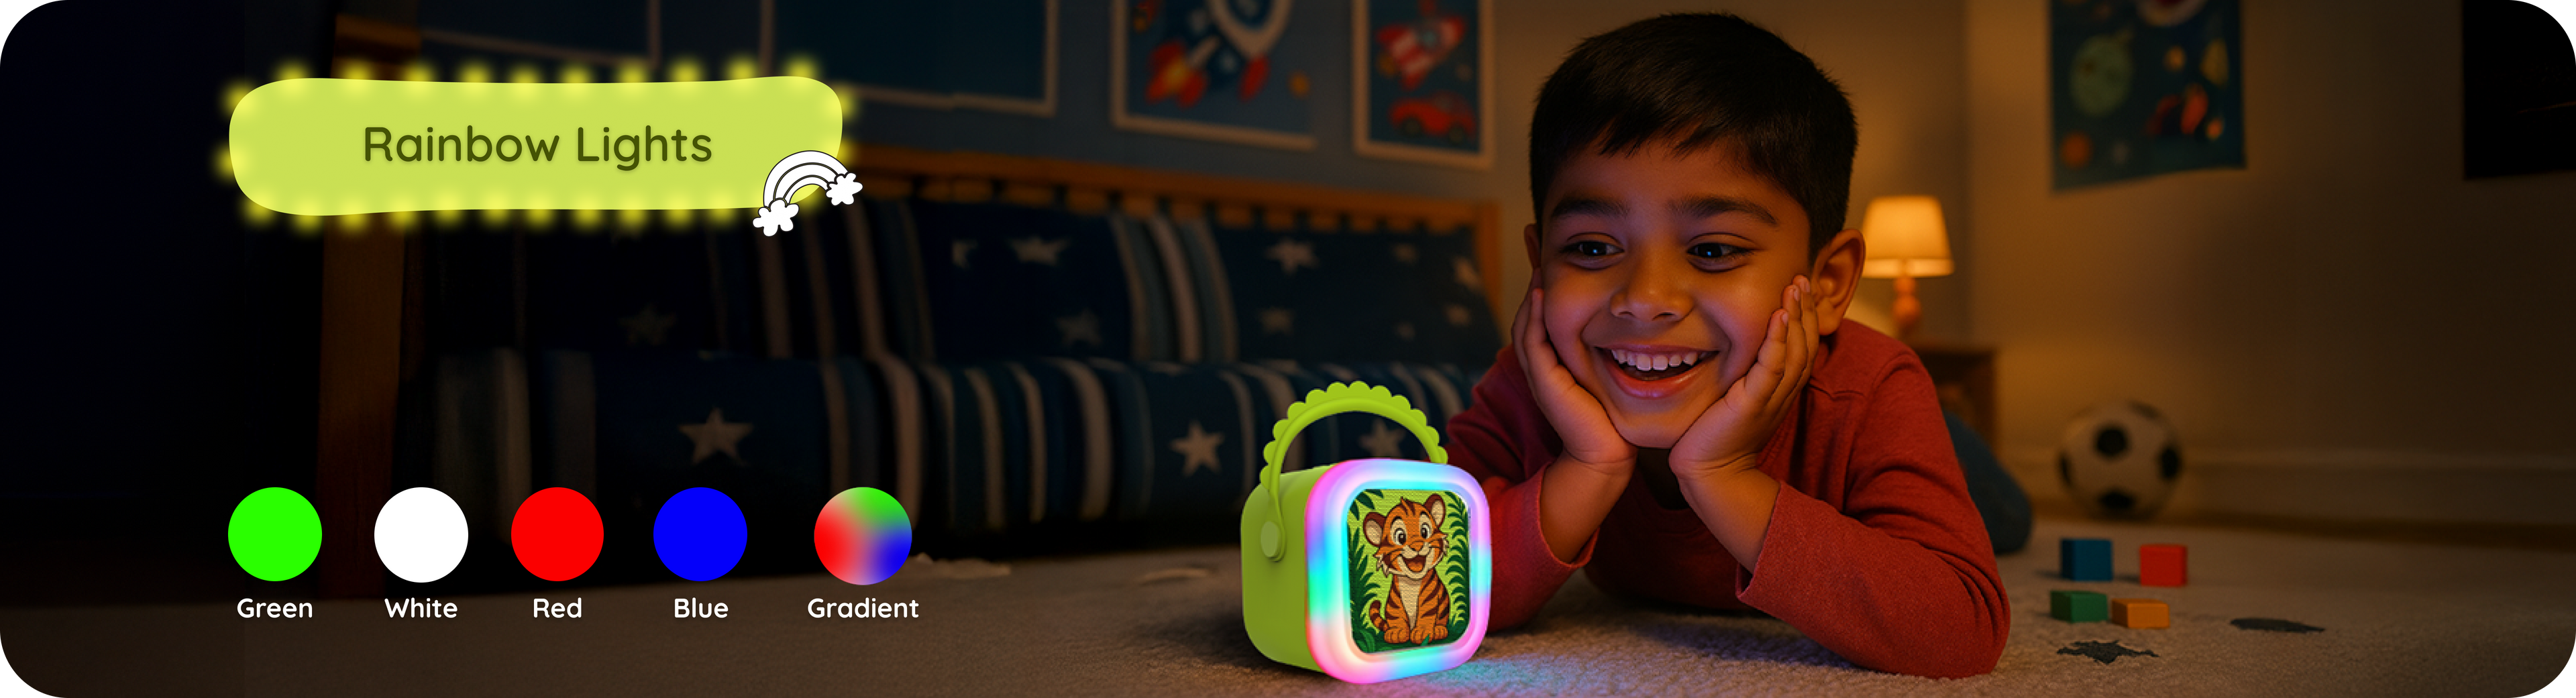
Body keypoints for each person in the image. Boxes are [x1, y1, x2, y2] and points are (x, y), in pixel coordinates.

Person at [1446, 12, 2007, 678]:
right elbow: (1420, 581)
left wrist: (1723, 474)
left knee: (2004, 512)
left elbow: (1961, 628)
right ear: (1540, 266)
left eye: (1713, 250)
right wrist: (1587, 467)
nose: (1645, 298)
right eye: (1592, 248)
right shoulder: (1533, 379)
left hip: (1891, 441)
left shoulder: (1873, 386)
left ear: (1828, 283)